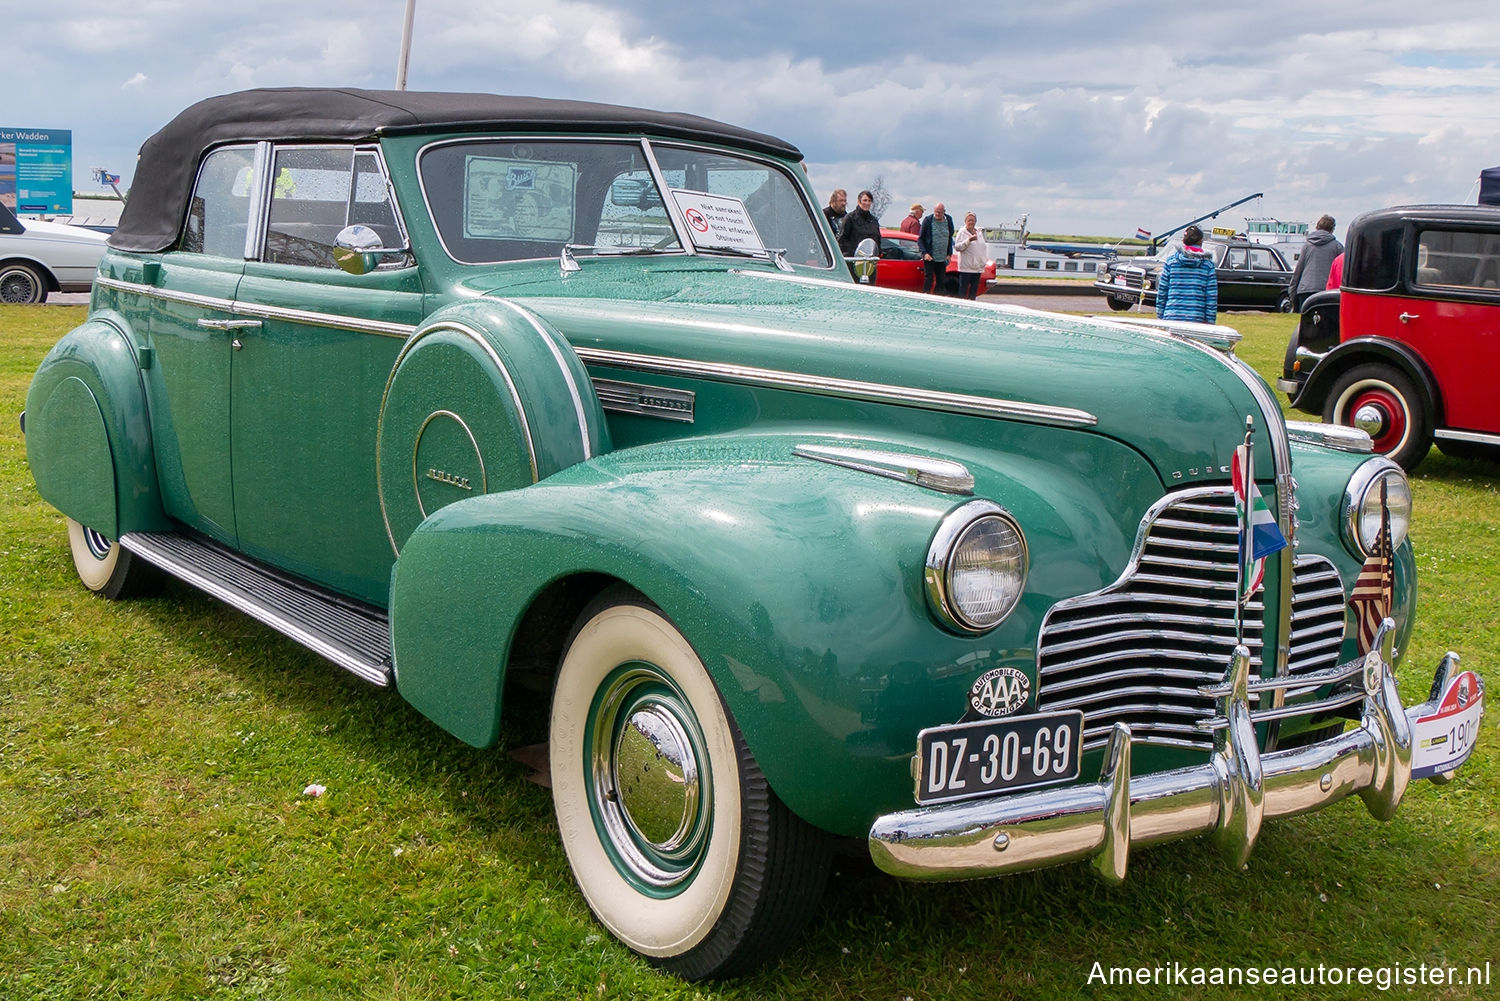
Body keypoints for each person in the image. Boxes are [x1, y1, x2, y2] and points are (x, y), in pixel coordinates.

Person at [1155, 224, 1218, 323]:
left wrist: (1160, 315)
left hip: (1171, 316)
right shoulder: (1208, 265)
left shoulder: (1171, 262)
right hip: (1196, 318)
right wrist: (1210, 321)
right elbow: (1211, 297)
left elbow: (1162, 291)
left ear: (1183, 241)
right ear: (1201, 241)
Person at [1288, 214, 1342, 310]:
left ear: (1317, 227)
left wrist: (1292, 292)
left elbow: (1298, 271)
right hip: (1326, 292)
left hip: (1305, 290)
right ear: (1332, 229)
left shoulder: (1307, 246)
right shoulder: (1337, 247)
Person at [917, 202, 956, 294]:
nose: (937, 214)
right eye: (936, 212)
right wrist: (925, 253)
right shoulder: (928, 220)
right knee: (929, 279)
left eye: (940, 212)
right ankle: (925, 297)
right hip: (930, 257)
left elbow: (949, 237)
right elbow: (920, 239)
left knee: (941, 281)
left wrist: (949, 254)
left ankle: (938, 299)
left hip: (942, 258)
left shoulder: (949, 220)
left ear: (944, 212)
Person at [838, 189, 881, 259]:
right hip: (853, 260)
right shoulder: (849, 218)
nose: (867, 203)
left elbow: (878, 240)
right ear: (859, 201)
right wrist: (853, 253)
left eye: (869, 201)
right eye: (865, 200)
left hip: (870, 262)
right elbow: (842, 240)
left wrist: (878, 253)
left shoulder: (874, 221)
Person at [953, 212, 986, 299]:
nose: (971, 222)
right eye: (969, 220)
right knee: (963, 289)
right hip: (966, 267)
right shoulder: (962, 232)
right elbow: (958, 247)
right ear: (965, 221)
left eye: (973, 220)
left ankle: (972, 305)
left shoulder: (979, 232)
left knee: (974, 290)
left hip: (977, 268)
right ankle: (961, 306)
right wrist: (968, 240)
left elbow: (982, 247)